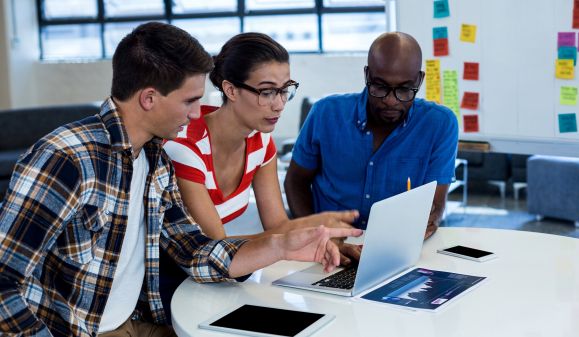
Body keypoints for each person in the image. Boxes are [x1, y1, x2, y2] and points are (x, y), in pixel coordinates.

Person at [0, 22, 361, 337]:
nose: (195, 114)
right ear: (149, 98)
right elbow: (4, 281)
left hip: (141, 320)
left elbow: (194, 250)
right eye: (190, 101)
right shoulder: (67, 158)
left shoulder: (155, 158)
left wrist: (281, 246)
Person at [160, 32, 361, 320]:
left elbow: (277, 224)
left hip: (222, 280)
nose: (279, 104)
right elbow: (217, 248)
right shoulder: (185, 149)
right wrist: (308, 227)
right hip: (177, 287)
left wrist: (308, 234)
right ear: (230, 89)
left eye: (284, 89)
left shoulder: (260, 141)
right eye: (267, 92)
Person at [284, 32, 458, 239]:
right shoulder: (326, 113)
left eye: (404, 89)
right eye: (380, 87)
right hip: (327, 243)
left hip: (394, 244)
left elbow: (434, 205)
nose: (391, 101)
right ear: (367, 75)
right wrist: (317, 236)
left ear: (419, 80)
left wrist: (429, 222)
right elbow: (295, 182)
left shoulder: (439, 124)